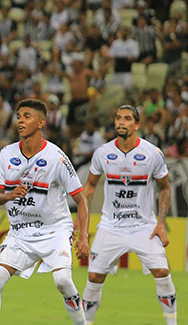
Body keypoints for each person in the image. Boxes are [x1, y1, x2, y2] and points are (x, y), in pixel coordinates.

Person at [0, 98, 90, 325]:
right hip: (20, 233)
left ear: (41, 123)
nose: (20, 121)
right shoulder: (6, 154)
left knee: (62, 281)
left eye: (27, 116)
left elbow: (81, 199)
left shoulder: (57, 157)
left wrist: (84, 237)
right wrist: (10, 195)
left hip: (55, 230)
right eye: (18, 116)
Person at [81, 104, 176, 325]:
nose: (121, 122)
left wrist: (161, 223)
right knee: (94, 276)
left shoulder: (152, 154)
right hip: (110, 225)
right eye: (118, 118)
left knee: (162, 272)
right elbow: (90, 186)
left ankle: (172, 322)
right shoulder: (102, 153)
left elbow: (165, 188)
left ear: (137, 124)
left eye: (126, 119)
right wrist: (81, 217)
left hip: (144, 226)